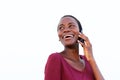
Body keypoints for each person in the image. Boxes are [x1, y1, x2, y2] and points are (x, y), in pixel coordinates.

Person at [44, 15, 104, 80]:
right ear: (59, 37)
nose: (66, 30)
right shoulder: (55, 59)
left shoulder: (88, 62)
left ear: (80, 33)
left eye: (71, 26)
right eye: (61, 28)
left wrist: (91, 59)